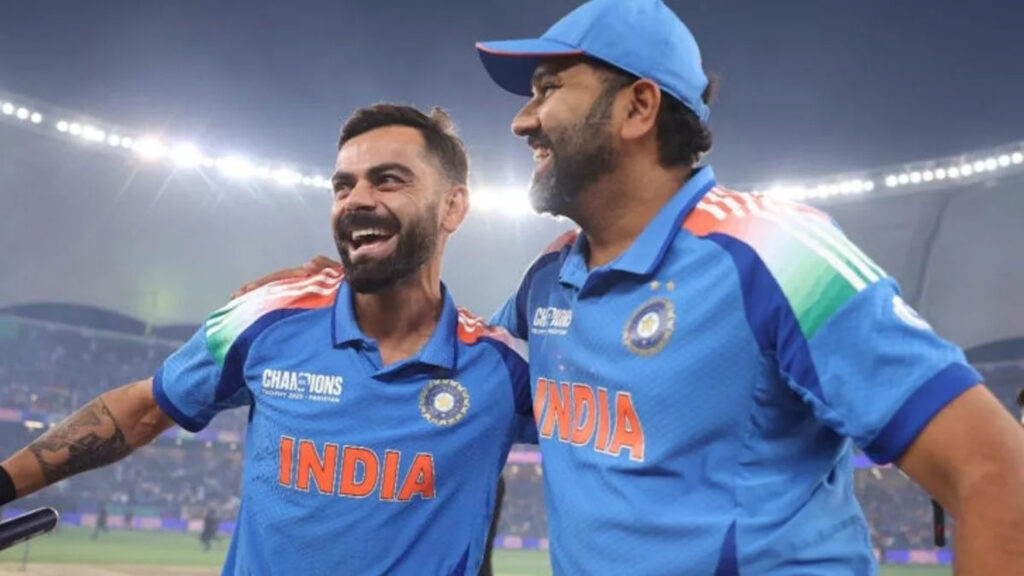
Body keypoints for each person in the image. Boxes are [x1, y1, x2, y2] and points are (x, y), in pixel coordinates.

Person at [255, 1, 1024, 573]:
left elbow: (996, 472)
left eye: (548, 88)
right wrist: (325, 297)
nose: (523, 121)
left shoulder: (774, 253)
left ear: (637, 107)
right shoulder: (549, 279)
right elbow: (447, 374)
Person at [0, 104, 533, 575]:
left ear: (452, 207)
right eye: (343, 186)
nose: (355, 200)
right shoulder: (267, 315)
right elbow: (141, 409)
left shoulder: (501, 369)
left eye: (388, 180)